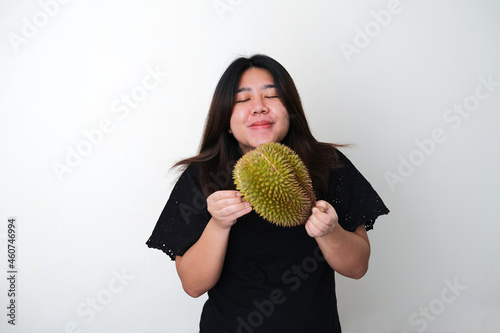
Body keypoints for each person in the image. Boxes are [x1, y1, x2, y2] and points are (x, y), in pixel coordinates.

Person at [146, 54, 389, 333]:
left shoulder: (327, 164)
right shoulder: (202, 176)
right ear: (225, 118)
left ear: (291, 109)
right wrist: (219, 223)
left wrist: (329, 231)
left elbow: (357, 267)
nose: (259, 108)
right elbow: (193, 285)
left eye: (271, 96)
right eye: (243, 100)